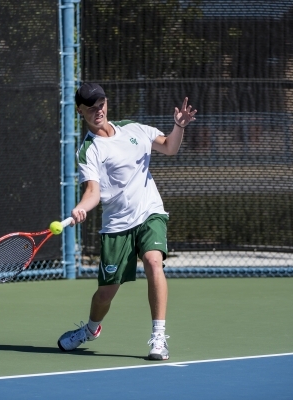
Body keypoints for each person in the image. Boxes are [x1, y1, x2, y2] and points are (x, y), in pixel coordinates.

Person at [57, 82, 197, 360]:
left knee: (154, 262)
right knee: (104, 295)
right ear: (80, 112)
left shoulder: (134, 129)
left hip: (149, 213)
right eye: (90, 108)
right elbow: (93, 191)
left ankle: (158, 337)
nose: (98, 111)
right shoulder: (89, 150)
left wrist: (179, 126)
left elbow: (169, 147)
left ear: (106, 103)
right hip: (117, 226)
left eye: (100, 105)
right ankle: (91, 329)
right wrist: (80, 209)